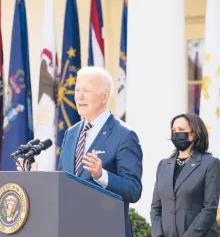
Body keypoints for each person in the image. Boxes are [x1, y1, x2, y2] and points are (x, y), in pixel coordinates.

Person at [18, 66, 143, 237]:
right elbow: (64, 183)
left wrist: (102, 176)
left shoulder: (124, 135)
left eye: (87, 90)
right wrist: (36, 176)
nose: (79, 96)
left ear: (104, 96)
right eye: (77, 89)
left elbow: (133, 190)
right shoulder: (71, 133)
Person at [150, 113, 220, 237]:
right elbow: (156, 207)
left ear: (194, 133)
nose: (176, 134)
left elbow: (209, 209)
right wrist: (158, 234)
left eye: (181, 130)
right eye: (174, 130)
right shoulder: (163, 165)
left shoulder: (210, 163)